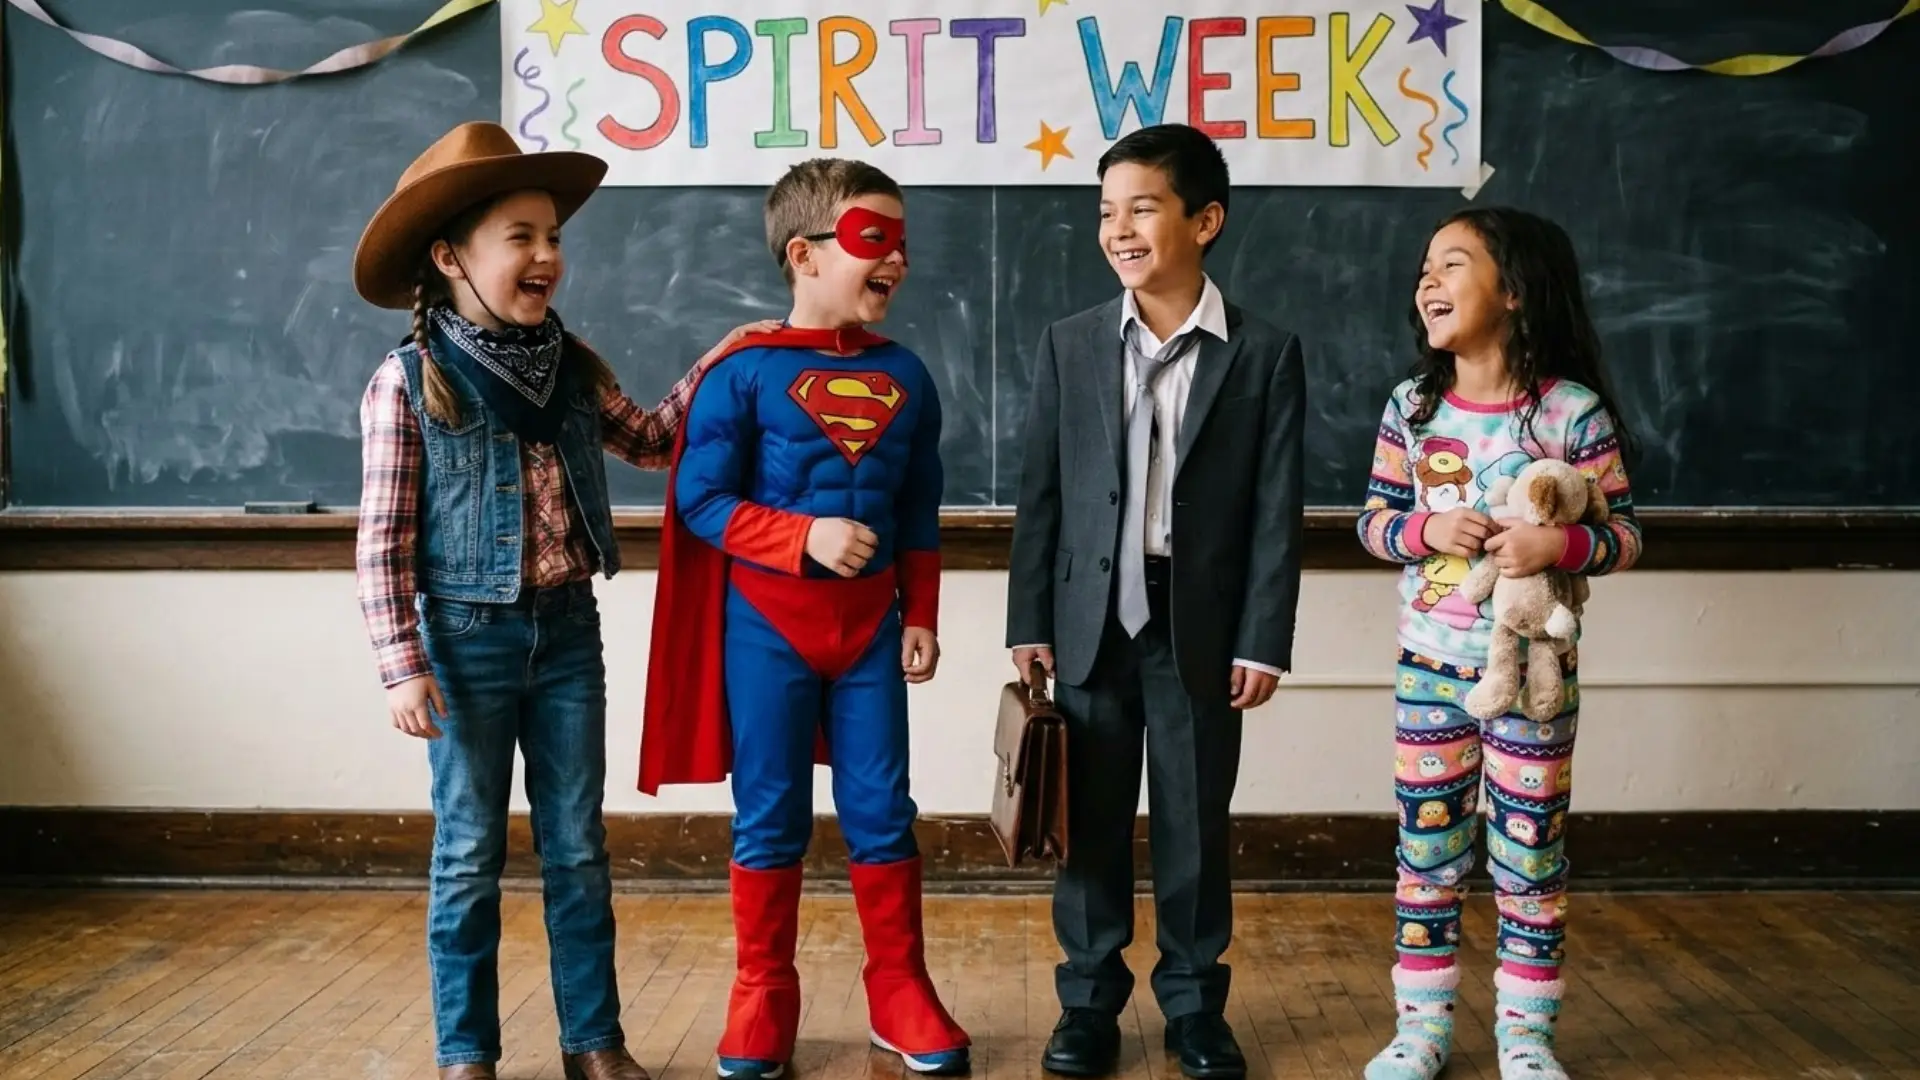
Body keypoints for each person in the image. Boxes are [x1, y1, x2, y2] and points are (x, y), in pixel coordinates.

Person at [351, 121, 776, 1080]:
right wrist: (401, 667)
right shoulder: (408, 383)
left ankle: (595, 1041)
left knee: (578, 847)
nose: (547, 255)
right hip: (463, 639)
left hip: (567, 633)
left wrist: (727, 356)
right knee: (467, 853)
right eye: (521, 236)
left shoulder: (571, 366)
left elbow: (658, 439)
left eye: (553, 236)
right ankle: (468, 1053)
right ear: (451, 254)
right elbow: (380, 541)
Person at [637, 157, 968, 1079]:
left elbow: (916, 511)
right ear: (803, 253)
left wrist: (923, 613)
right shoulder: (742, 374)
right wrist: (799, 537)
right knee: (770, 816)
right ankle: (762, 994)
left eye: (902, 240)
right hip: (767, 626)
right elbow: (699, 499)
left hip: (869, 630)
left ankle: (899, 989)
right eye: (873, 238)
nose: (895, 258)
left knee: (881, 811)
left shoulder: (909, 374)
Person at [1004, 122, 1306, 1080]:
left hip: (1198, 627)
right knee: (1086, 823)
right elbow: (1041, 493)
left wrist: (1264, 638)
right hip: (1089, 622)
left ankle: (1192, 1005)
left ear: (1205, 220)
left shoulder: (1263, 353)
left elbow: (1274, 511)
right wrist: (1028, 623)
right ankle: (1087, 1003)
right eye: (1106, 212)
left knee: (1193, 823)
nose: (1119, 229)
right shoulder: (1072, 344)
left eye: (1143, 207)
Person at [1354, 206, 1642, 1080]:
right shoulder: (1413, 407)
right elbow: (1371, 524)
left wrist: (1557, 545)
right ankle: (1422, 1033)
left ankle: (1525, 1040)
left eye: (1452, 266)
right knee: (1428, 852)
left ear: (1513, 291)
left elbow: (1625, 535)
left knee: (1528, 858)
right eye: (1424, 270)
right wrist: (1426, 531)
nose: (1428, 283)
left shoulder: (1572, 413)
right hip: (1429, 670)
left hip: (1534, 681)